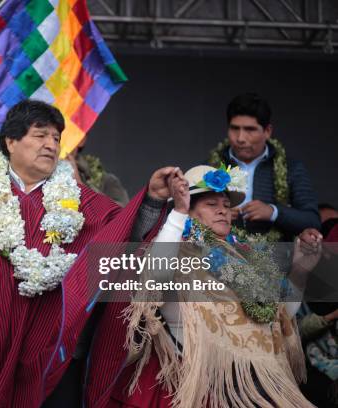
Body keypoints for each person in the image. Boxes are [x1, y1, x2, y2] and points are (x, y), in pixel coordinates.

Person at [0, 100, 176, 407]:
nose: (51, 144)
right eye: (41, 135)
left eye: (56, 138)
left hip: (47, 352)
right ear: (11, 141)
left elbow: (122, 236)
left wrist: (153, 200)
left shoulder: (81, 204)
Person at [110, 164, 315, 407]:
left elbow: (280, 315)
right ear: (189, 209)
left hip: (248, 390)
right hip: (195, 389)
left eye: (227, 206)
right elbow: (155, 277)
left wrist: (300, 270)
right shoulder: (176, 249)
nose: (223, 211)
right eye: (211, 205)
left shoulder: (247, 258)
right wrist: (178, 212)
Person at [209, 93, 321, 241]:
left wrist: (273, 212)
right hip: (220, 257)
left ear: (267, 131)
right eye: (235, 128)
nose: (241, 138)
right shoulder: (209, 168)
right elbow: (189, 217)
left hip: (277, 259)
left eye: (250, 129)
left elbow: (312, 220)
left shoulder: (291, 169)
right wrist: (218, 213)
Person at [65, 136, 129, 207]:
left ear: (81, 140)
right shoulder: (50, 174)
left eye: (65, 133)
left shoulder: (107, 181)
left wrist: (80, 185)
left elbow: (123, 213)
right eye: (56, 137)